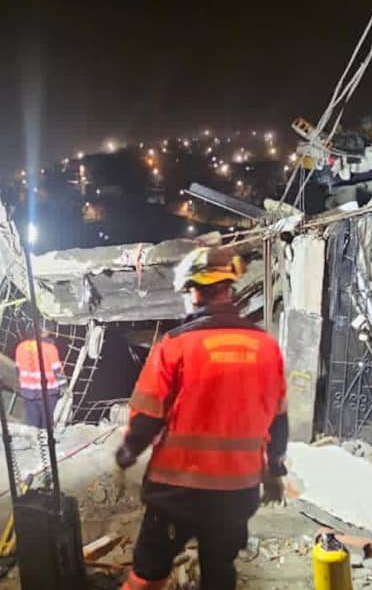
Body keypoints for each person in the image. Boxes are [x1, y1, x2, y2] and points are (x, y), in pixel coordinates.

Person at [116, 246, 289, 590]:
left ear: (194, 291)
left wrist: (127, 452)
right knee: (219, 572)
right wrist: (275, 472)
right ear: (229, 289)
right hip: (237, 491)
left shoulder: (175, 345)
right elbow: (278, 422)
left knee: (148, 574)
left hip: (176, 489)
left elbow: (148, 416)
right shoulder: (266, 347)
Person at [14, 329, 67, 429]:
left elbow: (18, 369)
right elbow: (57, 371)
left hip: (27, 392)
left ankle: (33, 442)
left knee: (32, 424)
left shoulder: (21, 346)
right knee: (46, 425)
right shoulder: (50, 348)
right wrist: (64, 388)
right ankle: (44, 442)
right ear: (44, 332)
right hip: (48, 393)